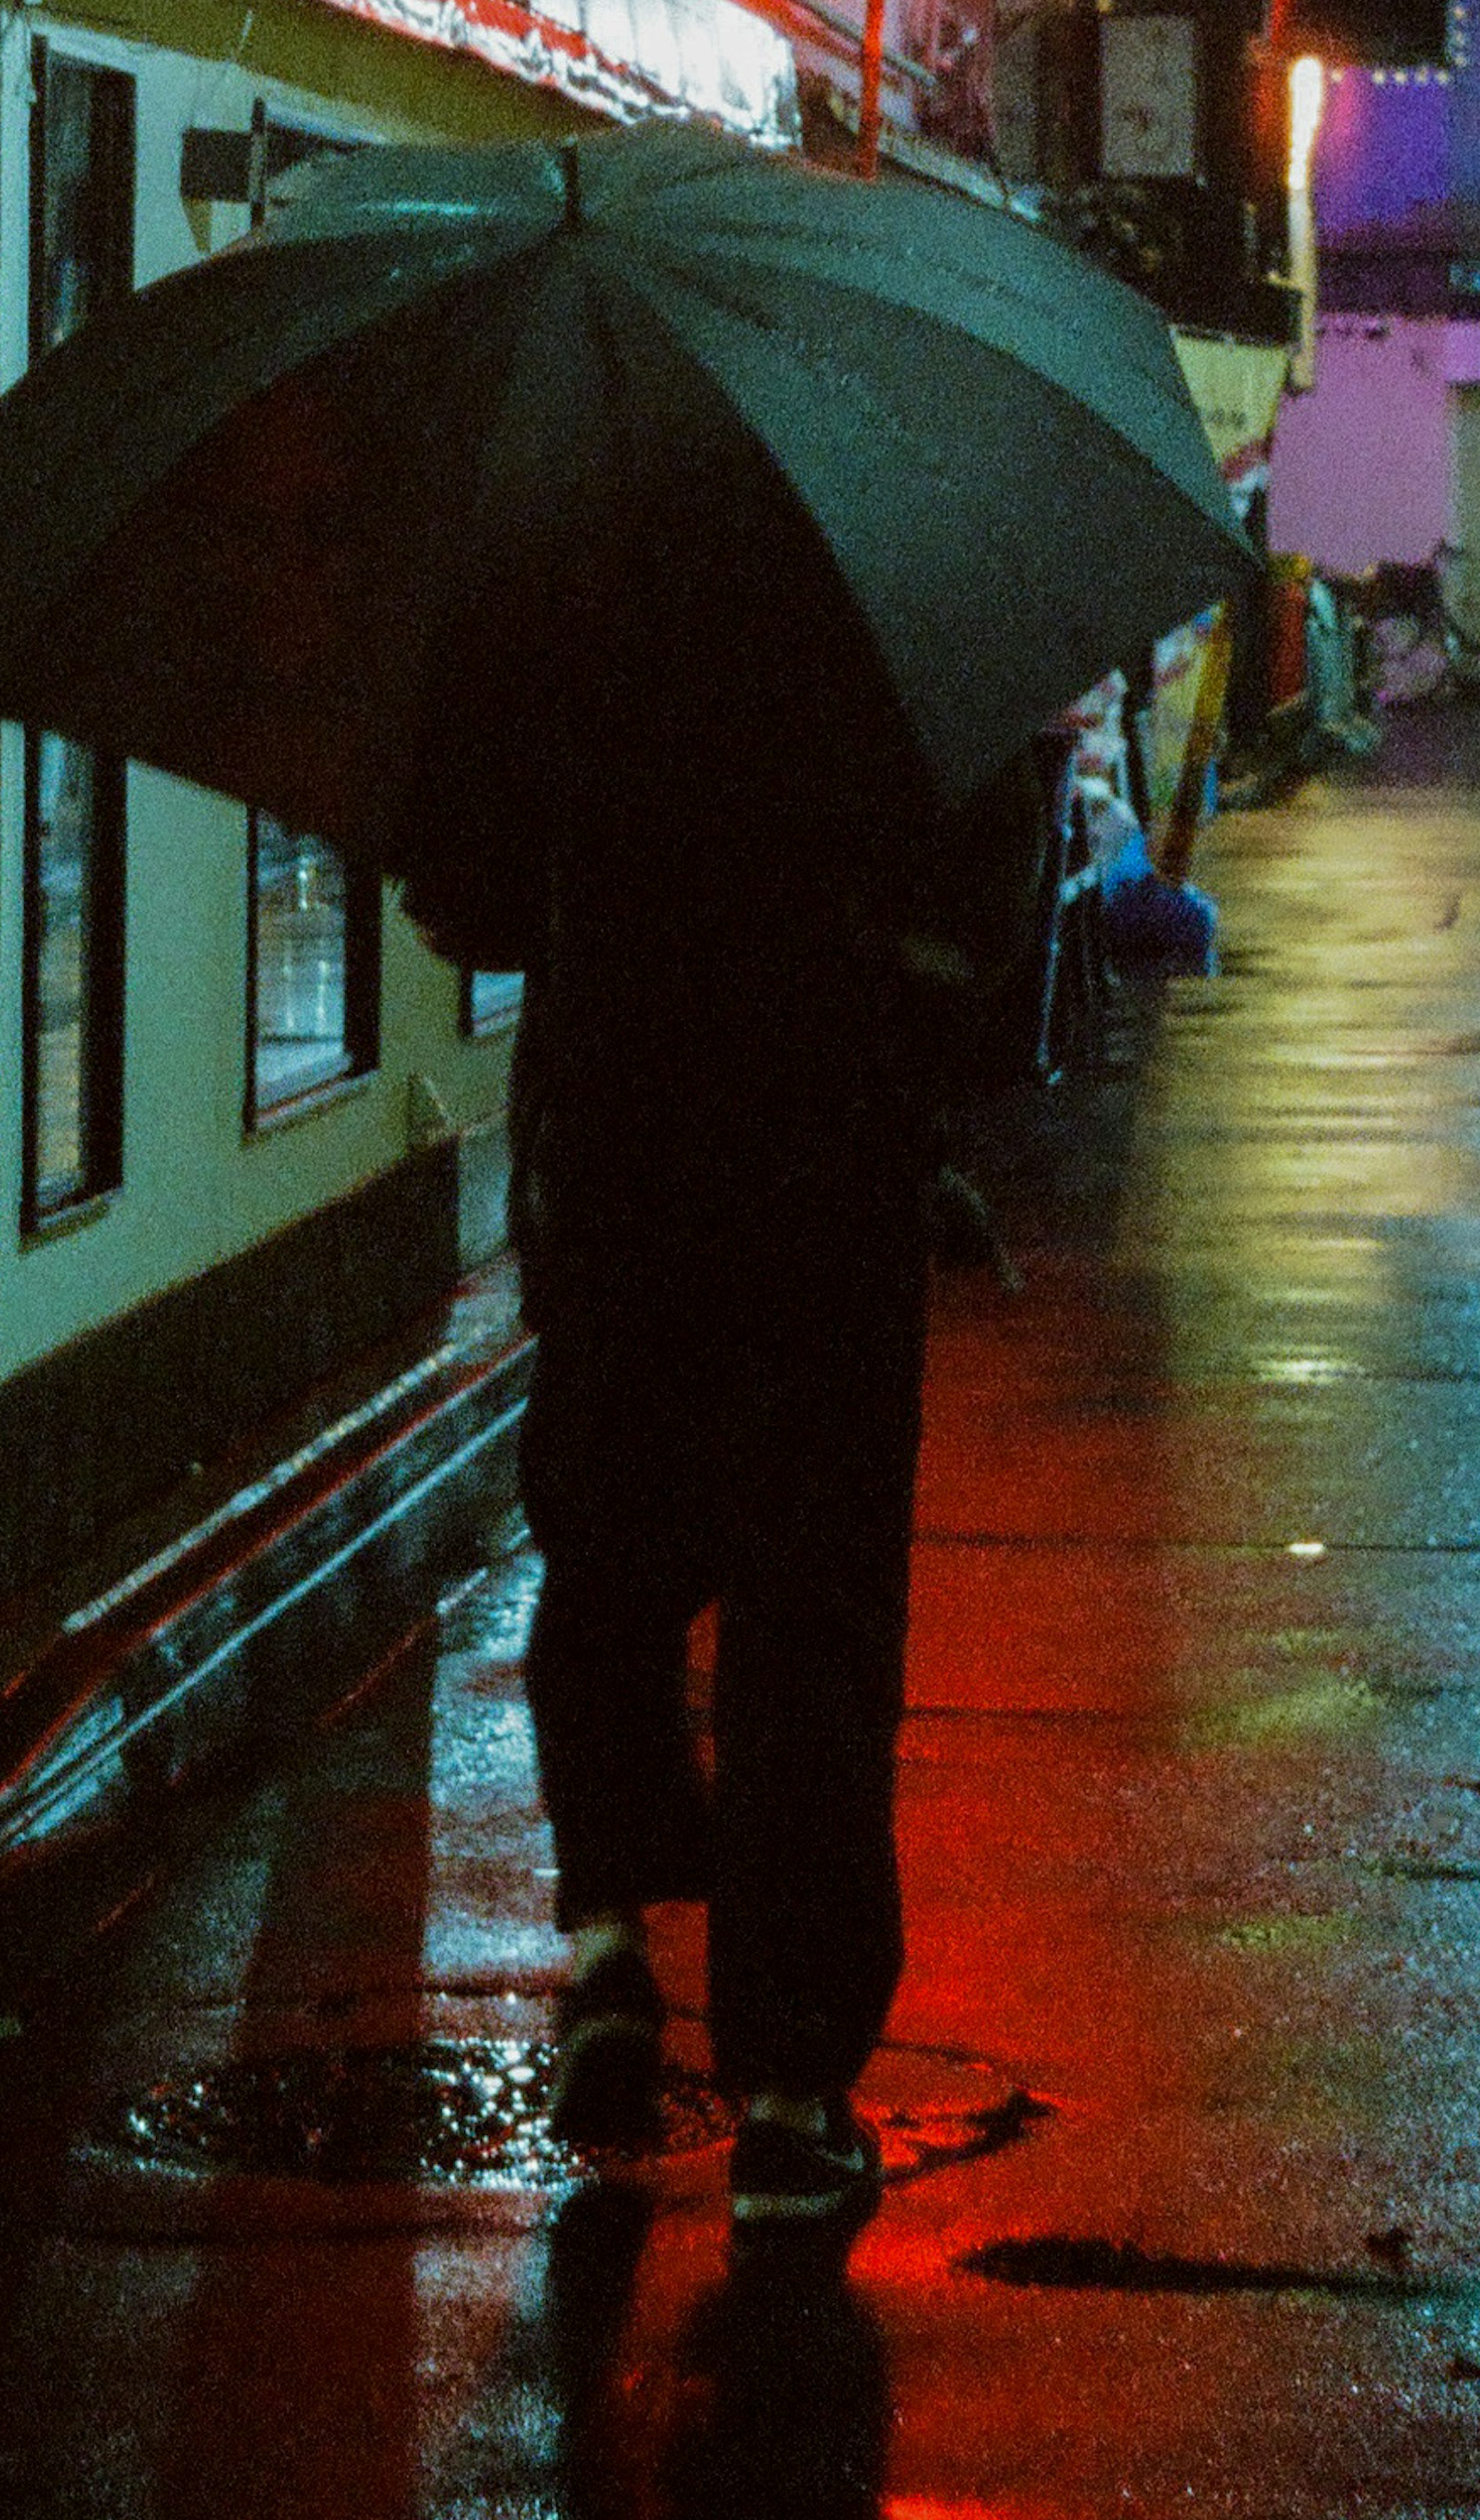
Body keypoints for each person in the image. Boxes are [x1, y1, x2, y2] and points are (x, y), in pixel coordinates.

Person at [415, 754, 1044, 2238]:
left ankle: (611, 1948)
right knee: (808, 1622)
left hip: (616, 1158)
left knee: (609, 1562)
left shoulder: (580, 590)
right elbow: (984, 898)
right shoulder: (893, 606)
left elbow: (462, 895)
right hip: (822, 1179)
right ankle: (785, 2097)